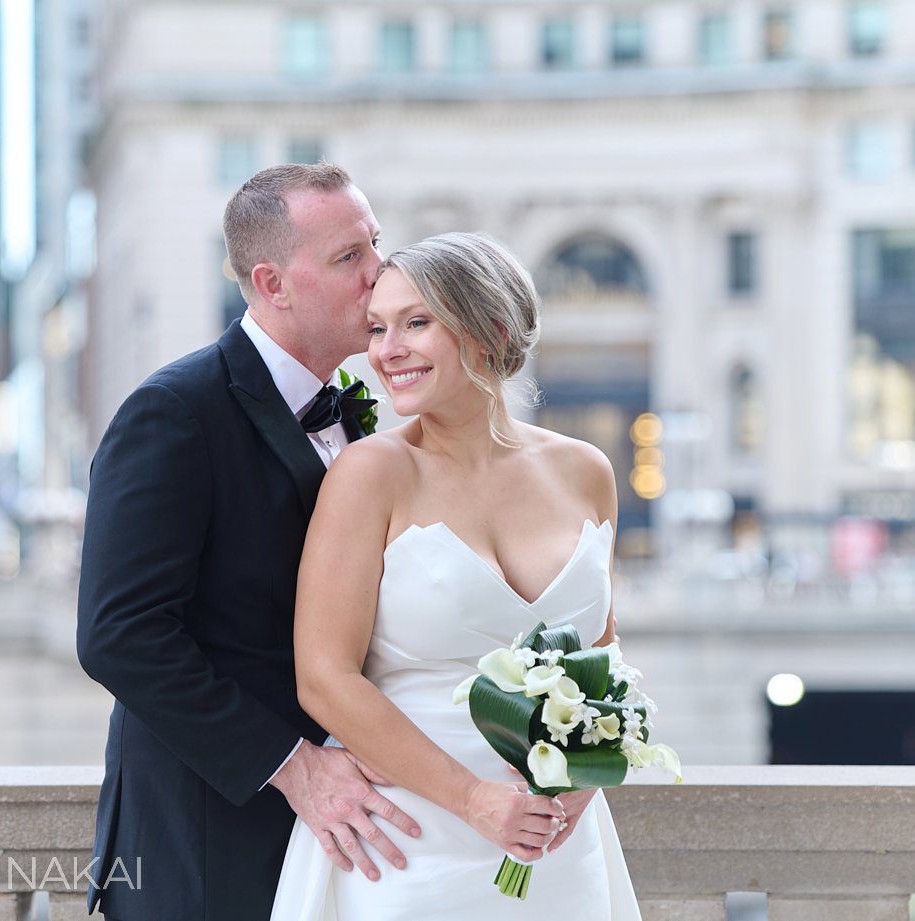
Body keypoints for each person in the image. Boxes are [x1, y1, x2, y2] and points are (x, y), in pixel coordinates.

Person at [76, 163, 425, 921]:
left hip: (345, 839)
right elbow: (119, 636)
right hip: (206, 839)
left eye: (375, 244)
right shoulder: (174, 412)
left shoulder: (359, 418)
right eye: (347, 258)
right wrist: (294, 767)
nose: (380, 274)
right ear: (273, 283)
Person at [272, 232, 641, 919]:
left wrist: (587, 773)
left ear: (490, 329)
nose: (387, 350)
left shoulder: (586, 470)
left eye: (416, 323)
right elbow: (324, 676)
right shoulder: (371, 474)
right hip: (408, 843)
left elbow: (605, 655)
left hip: (557, 843)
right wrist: (475, 800)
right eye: (378, 328)